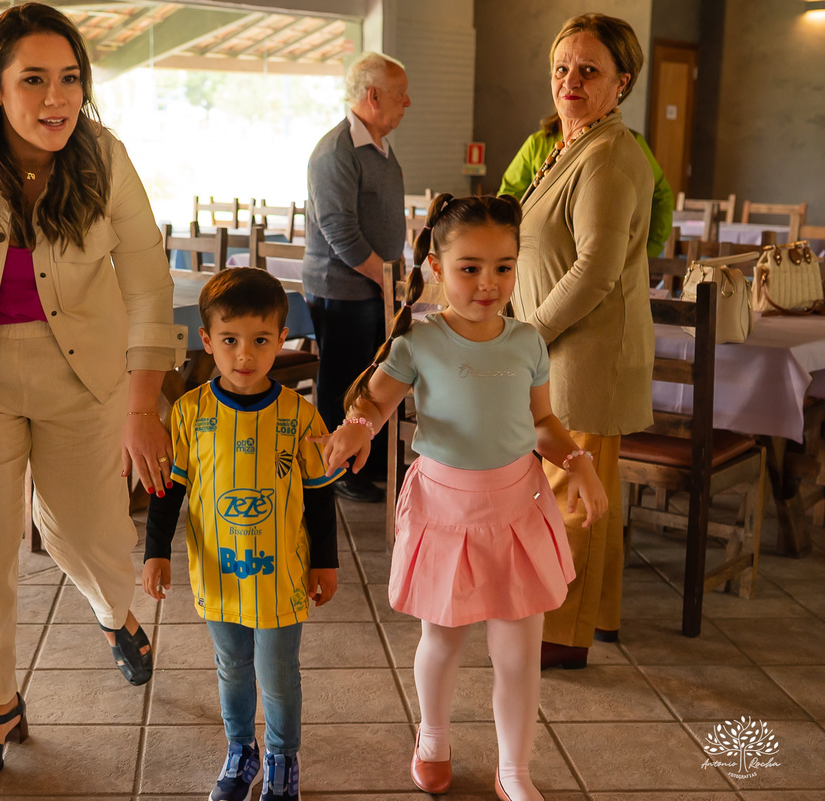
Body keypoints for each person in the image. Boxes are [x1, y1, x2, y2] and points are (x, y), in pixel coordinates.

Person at [0, 4, 185, 789]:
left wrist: (141, 404)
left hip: (85, 373)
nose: (57, 99)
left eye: (70, 79)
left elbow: (150, 280)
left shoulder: (105, 157)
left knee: (83, 532)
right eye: (34, 80)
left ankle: (113, 612)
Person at [319, 194, 608, 801]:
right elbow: (373, 402)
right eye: (470, 267)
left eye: (503, 266)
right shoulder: (419, 341)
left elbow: (543, 423)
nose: (488, 283)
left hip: (516, 509)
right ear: (436, 266)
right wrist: (356, 427)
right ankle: (434, 738)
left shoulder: (527, 341)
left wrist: (577, 461)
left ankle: (515, 770)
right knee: (443, 640)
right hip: (446, 512)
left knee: (518, 651)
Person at [143, 267, 343, 801]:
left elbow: (322, 498)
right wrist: (155, 553)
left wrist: (327, 562)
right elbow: (169, 491)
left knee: (277, 676)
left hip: (282, 577)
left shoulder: (301, 417)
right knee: (231, 668)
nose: (244, 355)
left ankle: (281, 758)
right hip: (217, 573)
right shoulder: (189, 414)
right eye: (229, 341)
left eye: (260, 340)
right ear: (208, 341)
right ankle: (240, 751)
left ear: (282, 339)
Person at [510, 14, 655, 670]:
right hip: (561, 348)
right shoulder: (569, 146)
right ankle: (596, 613)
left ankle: (560, 637)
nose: (569, 81)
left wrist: (530, 333)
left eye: (589, 71)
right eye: (562, 68)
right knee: (589, 484)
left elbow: (597, 266)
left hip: (584, 352)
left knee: (570, 487)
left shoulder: (611, 154)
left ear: (621, 82)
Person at [302, 51, 410, 504]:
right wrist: (386, 280)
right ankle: (338, 469)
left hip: (373, 287)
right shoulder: (336, 151)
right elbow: (340, 232)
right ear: (372, 96)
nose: (408, 103)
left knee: (373, 375)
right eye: (401, 95)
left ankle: (372, 456)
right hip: (342, 288)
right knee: (344, 380)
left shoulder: (378, 146)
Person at [498, 117, 673, 257]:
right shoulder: (538, 144)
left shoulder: (628, 143)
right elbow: (508, 201)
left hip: (613, 257)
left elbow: (660, 196)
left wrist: (648, 249)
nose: (572, 83)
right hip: (542, 259)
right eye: (562, 71)